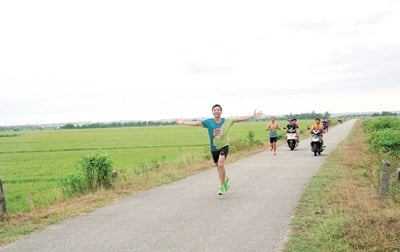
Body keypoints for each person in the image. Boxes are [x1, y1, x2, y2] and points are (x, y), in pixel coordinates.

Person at [176, 104, 263, 195]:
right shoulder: (208, 122)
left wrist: (252, 116)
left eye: (218, 109)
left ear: (221, 111)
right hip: (214, 148)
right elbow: (196, 123)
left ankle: (222, 186)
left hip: (224, 146)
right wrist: (183, 122)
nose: (216, 111)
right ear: (212, 112)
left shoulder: (227, 121)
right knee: (218, 167)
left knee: (221, 165)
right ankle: (224, 180)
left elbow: (239, 119)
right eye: (215, 110)